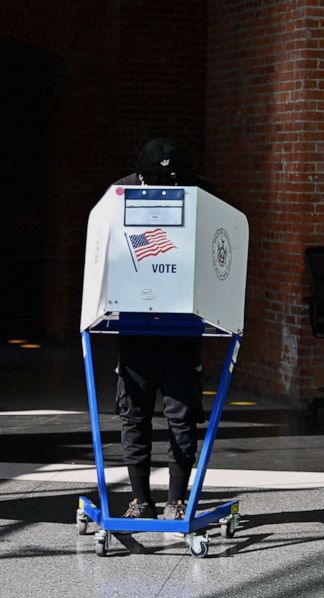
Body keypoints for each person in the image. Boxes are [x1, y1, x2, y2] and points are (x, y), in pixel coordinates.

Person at [113, 138, 211, 521]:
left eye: (172, 181)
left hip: (183, 325)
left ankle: (176, 499)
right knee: (134, 413)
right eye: (157, 181)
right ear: (141, 176)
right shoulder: (119, 195)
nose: (166, 188)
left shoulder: (202, 194)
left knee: (181, 414)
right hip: (136, 322)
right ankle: (140, 499)